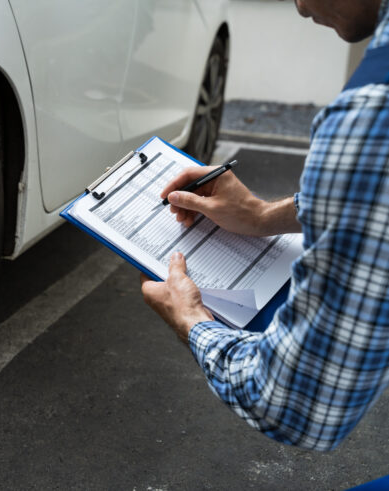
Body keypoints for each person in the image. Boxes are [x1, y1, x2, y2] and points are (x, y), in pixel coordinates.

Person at [141, 0, 389, 451]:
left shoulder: (375, 112)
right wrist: (261, 216)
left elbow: (299, 403)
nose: (296, 6)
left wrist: (191, 320)